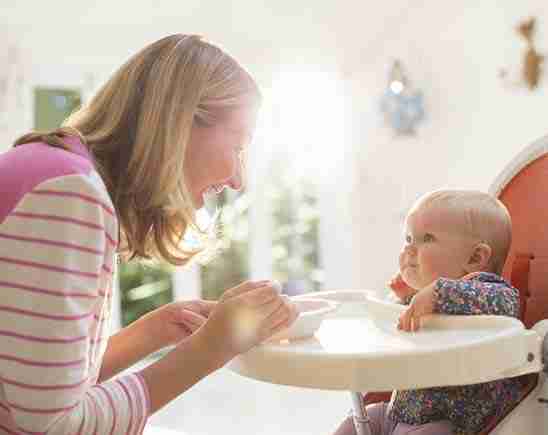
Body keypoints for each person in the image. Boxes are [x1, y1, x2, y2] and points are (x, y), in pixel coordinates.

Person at [0, 34, 297, 433]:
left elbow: (35, 390)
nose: (239, 180)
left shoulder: (61, 175)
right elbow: (48, 426)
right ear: (181, 121)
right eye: (239, 146)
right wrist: (211, 348)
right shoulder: (69, 195)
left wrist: (160, 328)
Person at [332, 189, 522, 435]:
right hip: (398, 411)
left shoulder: (488, 290)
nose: (410, 250)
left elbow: (506, 304)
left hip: (449, 423)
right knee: (355, 423)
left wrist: (437, 292)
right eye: (409, 239)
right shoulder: (421, 299)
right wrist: (402, 299)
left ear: (476, 257)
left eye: (427, 239)